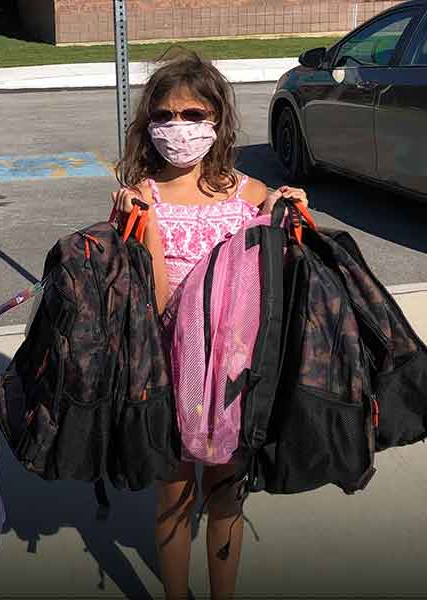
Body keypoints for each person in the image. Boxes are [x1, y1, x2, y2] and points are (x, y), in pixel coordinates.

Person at [112, 53, 307, 600]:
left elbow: (274, 284)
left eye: (193, 115)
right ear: (148, 124)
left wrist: (289, 213)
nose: (179, 128)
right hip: (167, 370)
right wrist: (130, 227)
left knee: (225, 494)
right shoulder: (142, 198)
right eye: (165, 115)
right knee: (173, 496)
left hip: (231, 374)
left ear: (217, 118)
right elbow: (139, 298)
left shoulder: (249, 196)